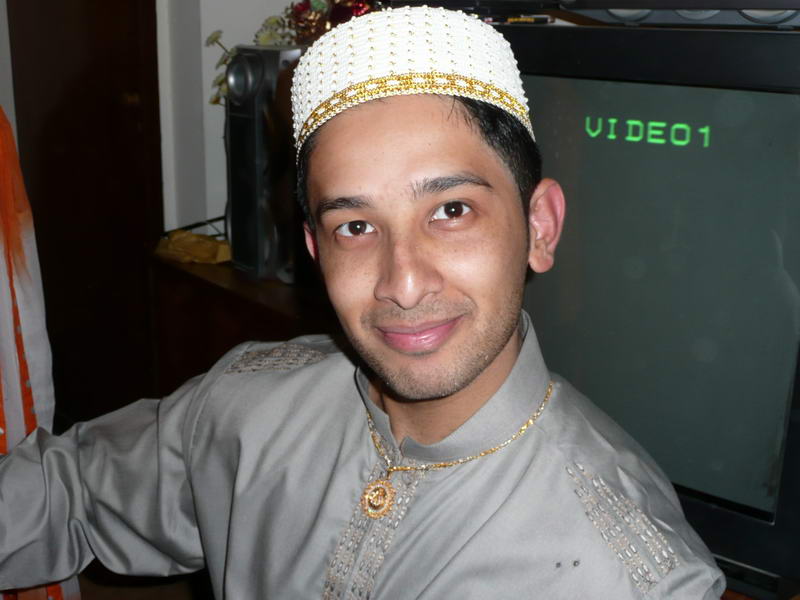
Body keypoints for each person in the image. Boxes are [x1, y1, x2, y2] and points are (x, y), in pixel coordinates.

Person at [0, 6, 725, 598]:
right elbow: (67, 492)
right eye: (355, 226)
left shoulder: (631, 575)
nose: (402, 283)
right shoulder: (246, 405)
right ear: (316, 250)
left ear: (539, 226)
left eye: (451, 211)